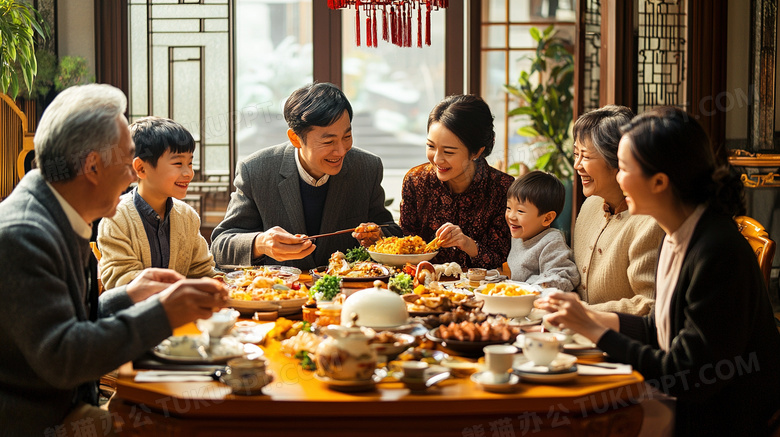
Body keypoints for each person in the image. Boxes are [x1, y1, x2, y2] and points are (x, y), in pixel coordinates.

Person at [0, 84, 228, 436]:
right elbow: (65, 357)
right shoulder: (24, 235)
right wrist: (163, 312)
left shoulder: (58, 212)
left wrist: (127, 295)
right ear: (92, 166)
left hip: (70, 403)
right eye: (126, 164)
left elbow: (70, 322)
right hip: (39, 421)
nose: (129, 178)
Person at [539, 107, 780, 436]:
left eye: (623, 168)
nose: (618, 177)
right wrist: (584, 316)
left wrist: (594, 329)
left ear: (659, 182)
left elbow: (686, 375)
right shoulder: (678, 233)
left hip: (715, 416)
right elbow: (660, 328)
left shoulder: (717, 251)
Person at [211, 82, 401, 270]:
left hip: (347, 293)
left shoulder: (366, 167)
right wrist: (260, 243)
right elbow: (221, 245)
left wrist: (378, 236)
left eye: (347, 136)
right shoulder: (256, 170)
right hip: (281, 293)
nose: (341, 151)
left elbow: (391, 231)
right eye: (328, 141)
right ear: (295, 138)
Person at [98, 116, 216, 289]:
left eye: (190, 163)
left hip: (182, 314)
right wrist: (178, 289)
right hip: (135, 315)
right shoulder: (116, 217)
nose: (188, 173)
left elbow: (202, 271)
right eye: (178, 163)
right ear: (141, 168)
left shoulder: (188, 216)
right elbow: (120, 280)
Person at [400, 94, 514, 269]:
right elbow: (404, 246)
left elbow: (503, 258)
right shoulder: (416, 181)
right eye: (431, 146)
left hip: (482, 290)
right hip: (424, 288)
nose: (437, 159)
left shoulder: (503, 188)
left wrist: (467, 244)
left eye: (449, 152)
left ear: (476, 152)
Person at [570, 105, 664, 315]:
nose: (577, 165)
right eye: (576, 154)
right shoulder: (590, 206)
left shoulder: (651, 222)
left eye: (585, 156)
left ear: (617, 160)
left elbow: (650, 306)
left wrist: (584, 313)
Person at [504, 171, 579, 292]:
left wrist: (533, 288)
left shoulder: (551, 241)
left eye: (520, 211)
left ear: (547, 218)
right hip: (519, 300)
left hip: (540, 304)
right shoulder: (519, 235)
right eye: (508, 208)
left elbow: (565, 275)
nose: (511, 216)